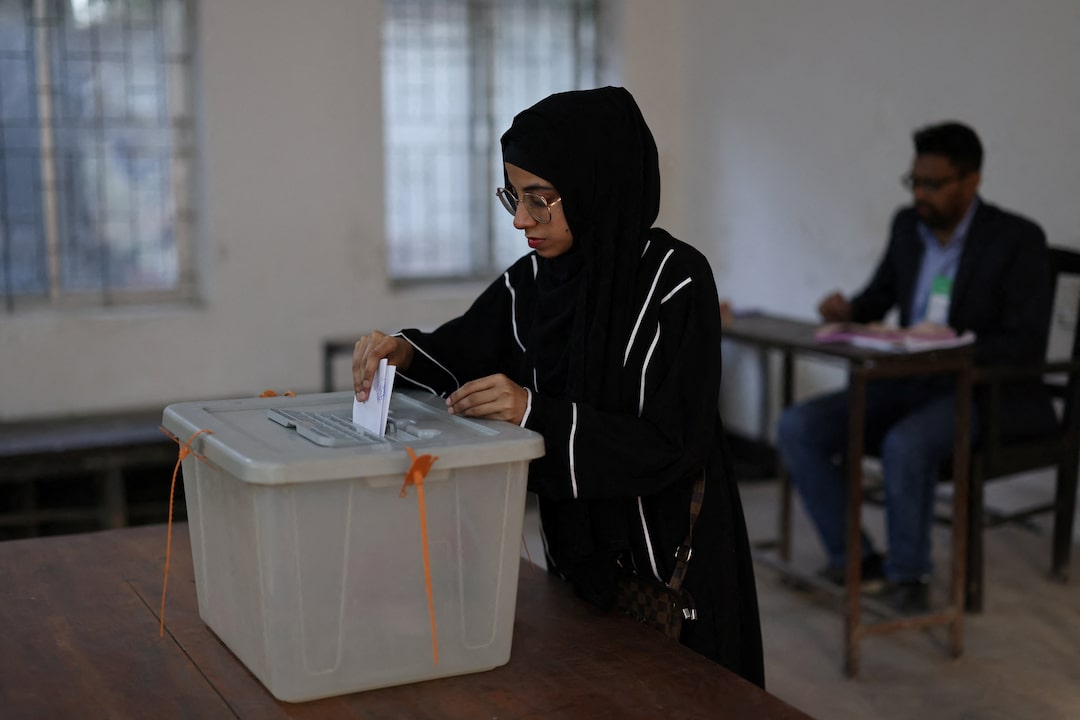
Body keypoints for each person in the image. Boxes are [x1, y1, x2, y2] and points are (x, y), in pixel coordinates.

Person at [353, 87, 764, 687]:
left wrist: (534, 412)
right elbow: (464, 347)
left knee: (682, 694)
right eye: (514, 197)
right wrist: (404, 351)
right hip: (579, 560)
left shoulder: (675, 282)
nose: (522, 220)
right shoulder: (534, 282)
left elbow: (674, 441)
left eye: (540, 200)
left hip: (672, 564)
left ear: (596, 184)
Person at [776, 121, 1056, 613]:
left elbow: (1025, 344)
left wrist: (949, 348)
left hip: (977, 391)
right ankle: (857, 560)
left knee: (906, 443)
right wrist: (848, 311)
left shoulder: (1017, 239)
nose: (920, 195)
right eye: (914, 182)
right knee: (798, 426)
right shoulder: (908, 227)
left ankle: (910, 579)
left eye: (933, 184)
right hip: (906, 381)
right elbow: (878, 297)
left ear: (972, 182)